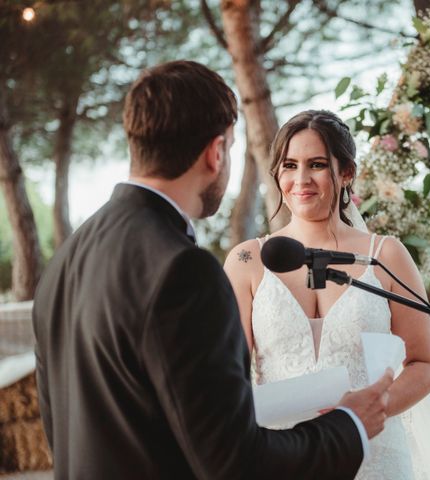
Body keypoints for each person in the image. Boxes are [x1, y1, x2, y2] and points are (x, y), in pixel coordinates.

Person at [32, 61, 393, 480]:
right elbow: (236, 462)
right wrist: (348, 425)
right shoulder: (184, 271)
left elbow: (59, 431)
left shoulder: (65, 259)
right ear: (216, 151)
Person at [224, 110, 430, 479]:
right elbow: (229, 371)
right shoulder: (246, 260)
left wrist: (374, 408)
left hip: (374, 455)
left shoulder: (386, 256)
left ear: (347, 172)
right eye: (289, 165)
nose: (300, 179)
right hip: (282, 455)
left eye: (316, 164)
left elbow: (426, 363)